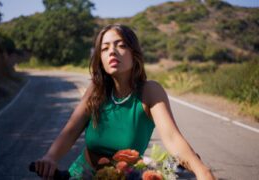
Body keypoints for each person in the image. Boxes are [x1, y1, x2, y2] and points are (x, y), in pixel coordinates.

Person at [34, 24, 215, 179]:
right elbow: (71, 129)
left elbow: (172, 138)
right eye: (104, 48)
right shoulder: (95, 91)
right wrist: (51, 157)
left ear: (133, 54)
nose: (111, 51)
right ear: (100, 59)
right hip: (83, 174)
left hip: (128, 177)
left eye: (120, 45)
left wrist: (202, 171)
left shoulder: (150, 91)